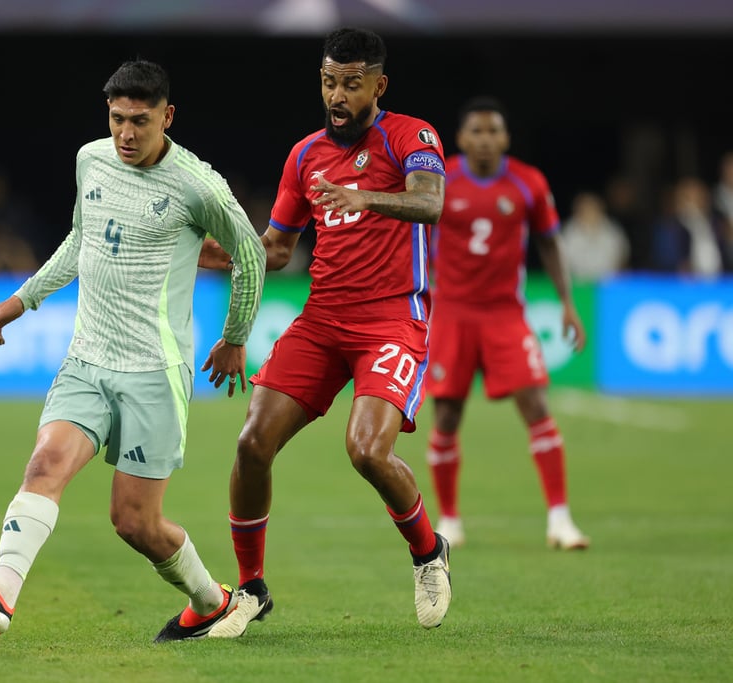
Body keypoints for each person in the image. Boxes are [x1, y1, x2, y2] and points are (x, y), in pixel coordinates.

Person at [0, 60, 267, 643]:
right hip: (87, 358)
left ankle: (212, 602)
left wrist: (234, 338)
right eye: (116, 120)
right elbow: (81, 238)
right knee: (44, 464)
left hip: (154, 372)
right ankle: (1, 590)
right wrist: (22, 300)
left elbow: (250, 256)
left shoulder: (197, 186)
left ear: (167, 116)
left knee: (135, 523)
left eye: (140, 121)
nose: (126, 134)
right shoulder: (92, 158)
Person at [199, 27, 452, 638]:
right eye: (328, 81)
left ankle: (428, 552)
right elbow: (278, 249)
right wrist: (211, 254)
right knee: (252, 443)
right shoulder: (305, 154)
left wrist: (367, 197)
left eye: (351, 83)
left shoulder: (412, 137)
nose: (337, 94)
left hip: (393, 318)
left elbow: (432, 203)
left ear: (378, 85)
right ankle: (252, 588)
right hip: (322, 320)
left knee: (367, 450)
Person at [425, 96, 590, 551]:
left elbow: (550, 243)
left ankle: (560, 519)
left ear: (506, 137)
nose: (485, 139)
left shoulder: (527, 183)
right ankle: (450, 520)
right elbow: (415, 236)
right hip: (452, 313)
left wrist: (567, 304)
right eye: (476, 131)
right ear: (460, 138)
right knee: (447, 415)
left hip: (505, 313)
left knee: (536, 406)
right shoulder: (439, 180)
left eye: (493, 131)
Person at [559, 191, 630, 282]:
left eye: (593, 208)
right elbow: (562, 265)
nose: (590, 212)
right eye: (585, 209)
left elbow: (622, 262)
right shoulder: (568, 233)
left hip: (609, 285)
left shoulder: (614, 232)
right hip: (577, 285)